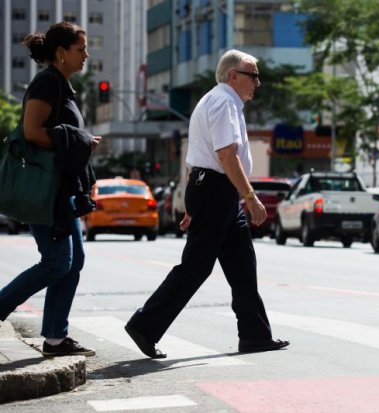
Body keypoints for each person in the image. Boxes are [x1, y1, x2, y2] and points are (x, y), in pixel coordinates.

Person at [125, 49, 289, 358]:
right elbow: (226, 156)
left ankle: (254, 335)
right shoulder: (224, 102)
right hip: (216, 190)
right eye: (253, 75)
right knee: (196, 267)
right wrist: (251, 197)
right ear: (233, 76)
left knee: (242, 265)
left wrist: (193, 202)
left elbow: (199, 158)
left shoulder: (222, 101)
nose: (258, 82)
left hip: (214, 191)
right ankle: (145, 325)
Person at [0, 22, 101, 357]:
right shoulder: (48, 82)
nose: (86, 55)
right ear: (61, 53)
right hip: (45, 191)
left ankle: (56, 338)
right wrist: (78, 140)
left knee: (74, 261)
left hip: (61, 190)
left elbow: (62, 137)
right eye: (80, 49)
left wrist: (81, 143)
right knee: (57, 263)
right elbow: (31, 131)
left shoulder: (61, 85)